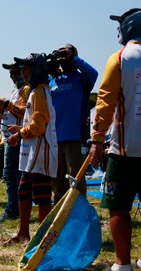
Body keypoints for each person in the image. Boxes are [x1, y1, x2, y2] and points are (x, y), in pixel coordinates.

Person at [89, 8, 141, 271]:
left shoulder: (120, 58)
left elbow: (105, 102)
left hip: (124, 149)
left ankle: (122, 263)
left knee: (118, 205)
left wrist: (97, 139)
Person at [3, 53, 58, 244]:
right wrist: (20, 129)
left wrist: (18, 134)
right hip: (31, 151)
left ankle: (43, 239)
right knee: (23, 191)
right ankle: (23, 233)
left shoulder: (41, 92)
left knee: (42, 196)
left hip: (41, 151)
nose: (23, 72)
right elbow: (33, 122)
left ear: (36, 70)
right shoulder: (34, 92)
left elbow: (39, 127)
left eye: (26, 68)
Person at [48, 44, 98, 205]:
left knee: (75, 180)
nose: (62, 57)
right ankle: (58, 217)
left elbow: (94, 73)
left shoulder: (81, 79)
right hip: (54, 139)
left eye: (65, 53)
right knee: (56, 182)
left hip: (74, 138)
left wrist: (73, 57)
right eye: (60, 54)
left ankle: (78, 214)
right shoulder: (53, 80)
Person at [0, 62, 30, 222]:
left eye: (15, 72)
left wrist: (6, 105)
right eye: (10, 73)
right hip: (10, 137)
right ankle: (14, 208)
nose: (12, 75)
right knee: (12, 174)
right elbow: (13, 112)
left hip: (17, 137)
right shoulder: (17, 92)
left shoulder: (27, 89)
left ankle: (12, 209)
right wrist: (2, 110)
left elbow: (25, 112)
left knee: (11, 174)